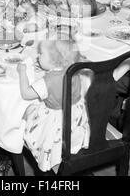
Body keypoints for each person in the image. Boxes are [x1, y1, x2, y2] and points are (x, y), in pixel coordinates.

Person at [16, 38, 91, 172]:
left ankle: (54, 165)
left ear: (54, 60)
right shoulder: (75, 71)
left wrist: (22, 72)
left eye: (41, 54)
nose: (38, 56)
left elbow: (26, 94)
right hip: (75, 118)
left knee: (23, 113)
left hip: (55, 122)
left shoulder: (48, 81)